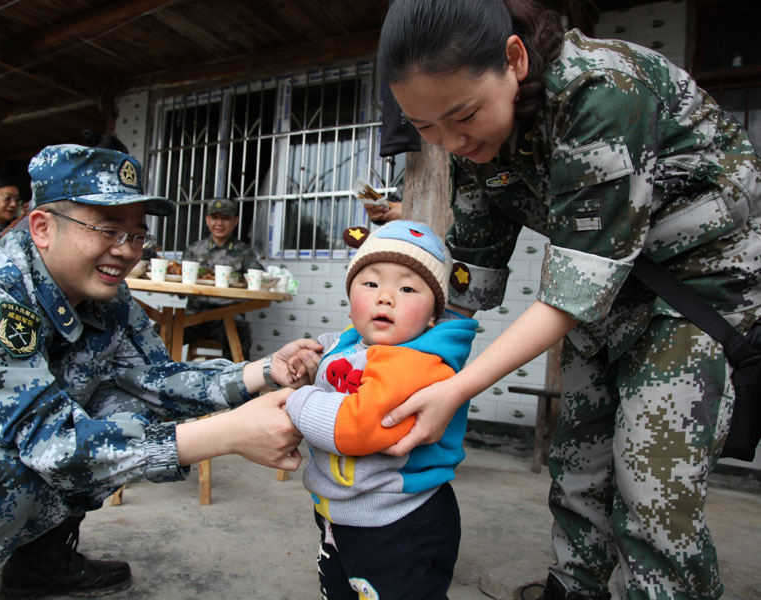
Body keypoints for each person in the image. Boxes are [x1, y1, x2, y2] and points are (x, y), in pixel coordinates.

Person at [375, 1, 761, 599]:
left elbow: (574, 291)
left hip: (692, 293)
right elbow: (469, 277)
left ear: (513, 59)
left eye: (463, 115)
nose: (452, 141)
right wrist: (401, 364)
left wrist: (456, 388)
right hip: (599, 294)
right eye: (426, 128)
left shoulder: (601, 93)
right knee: (579, 464)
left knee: (652, 487)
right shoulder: (475, 145)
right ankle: (573, 587)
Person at [0, 144, 321, 600]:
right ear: (42, 227)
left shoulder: (106, 297)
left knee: (121, 407)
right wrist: (227, 435)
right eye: (106, 230)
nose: (124, 251)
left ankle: (39, 566)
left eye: (137, 235)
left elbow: (156, 382)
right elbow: (54, 445)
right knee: (13, 465)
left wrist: (264, 371)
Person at [285, 220, 478, 600]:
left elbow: (355, 427)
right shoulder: (353, 341)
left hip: (400, 522)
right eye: (370, 283)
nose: (385, 297)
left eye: (407, 288)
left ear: (432, 316)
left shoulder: (420, 361)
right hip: (342, 513)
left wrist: (294, 400)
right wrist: (313, 365)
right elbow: (345, 357)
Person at [181, 197, 266, 360]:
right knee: (163, 330)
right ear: (207, 220)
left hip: (228, 315)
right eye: (215, 217)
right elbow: (180, 284)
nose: (219, 223)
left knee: (240, 332)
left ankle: (235, 381)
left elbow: (257, 277)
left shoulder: (244, 251)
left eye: (225, 218)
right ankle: (160, 379)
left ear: (235, 221)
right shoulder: (194, 250)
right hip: (194, 314)